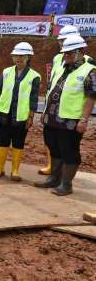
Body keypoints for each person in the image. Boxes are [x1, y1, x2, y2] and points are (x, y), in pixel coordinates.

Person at [34, 35, 95, 195]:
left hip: (71, 120)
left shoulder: (89, 71)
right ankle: (54, 178)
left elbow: (91, 98)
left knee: (69, 151)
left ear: (81, 51)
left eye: (69, 53)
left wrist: (83, 120)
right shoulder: (61, 67)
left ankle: (66, 184)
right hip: (52, 118)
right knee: (53, 147)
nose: (65, 56)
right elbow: (51, 90)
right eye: (64, 53)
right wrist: (45, 111)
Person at [0, 42, 40, 181]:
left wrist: (30, 117)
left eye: (22, 56)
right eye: (16, 56)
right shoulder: (6, 72)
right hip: (4, 113)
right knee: (3, 140)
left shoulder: (34, 76)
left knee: (18, 142)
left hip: (21, 115)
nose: (18, 58)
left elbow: (33, 99)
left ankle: (15, 170)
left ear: (28, 57)